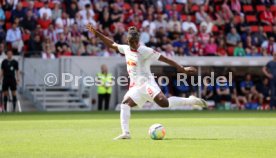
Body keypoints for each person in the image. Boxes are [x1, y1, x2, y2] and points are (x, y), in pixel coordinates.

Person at [86, 24, 207, 140]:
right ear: (128, 42)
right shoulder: (126, 49)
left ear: (138, 41)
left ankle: (192, 100)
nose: (134, 44)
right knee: (125, 105)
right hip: (136, 87)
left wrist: (182, 69)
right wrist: (97, 33)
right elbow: (112, 44)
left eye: (136, 42)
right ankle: (126, 133)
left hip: (147, 83)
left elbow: (165, 59)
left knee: (164, 103)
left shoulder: (145, 50)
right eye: (132, 42)